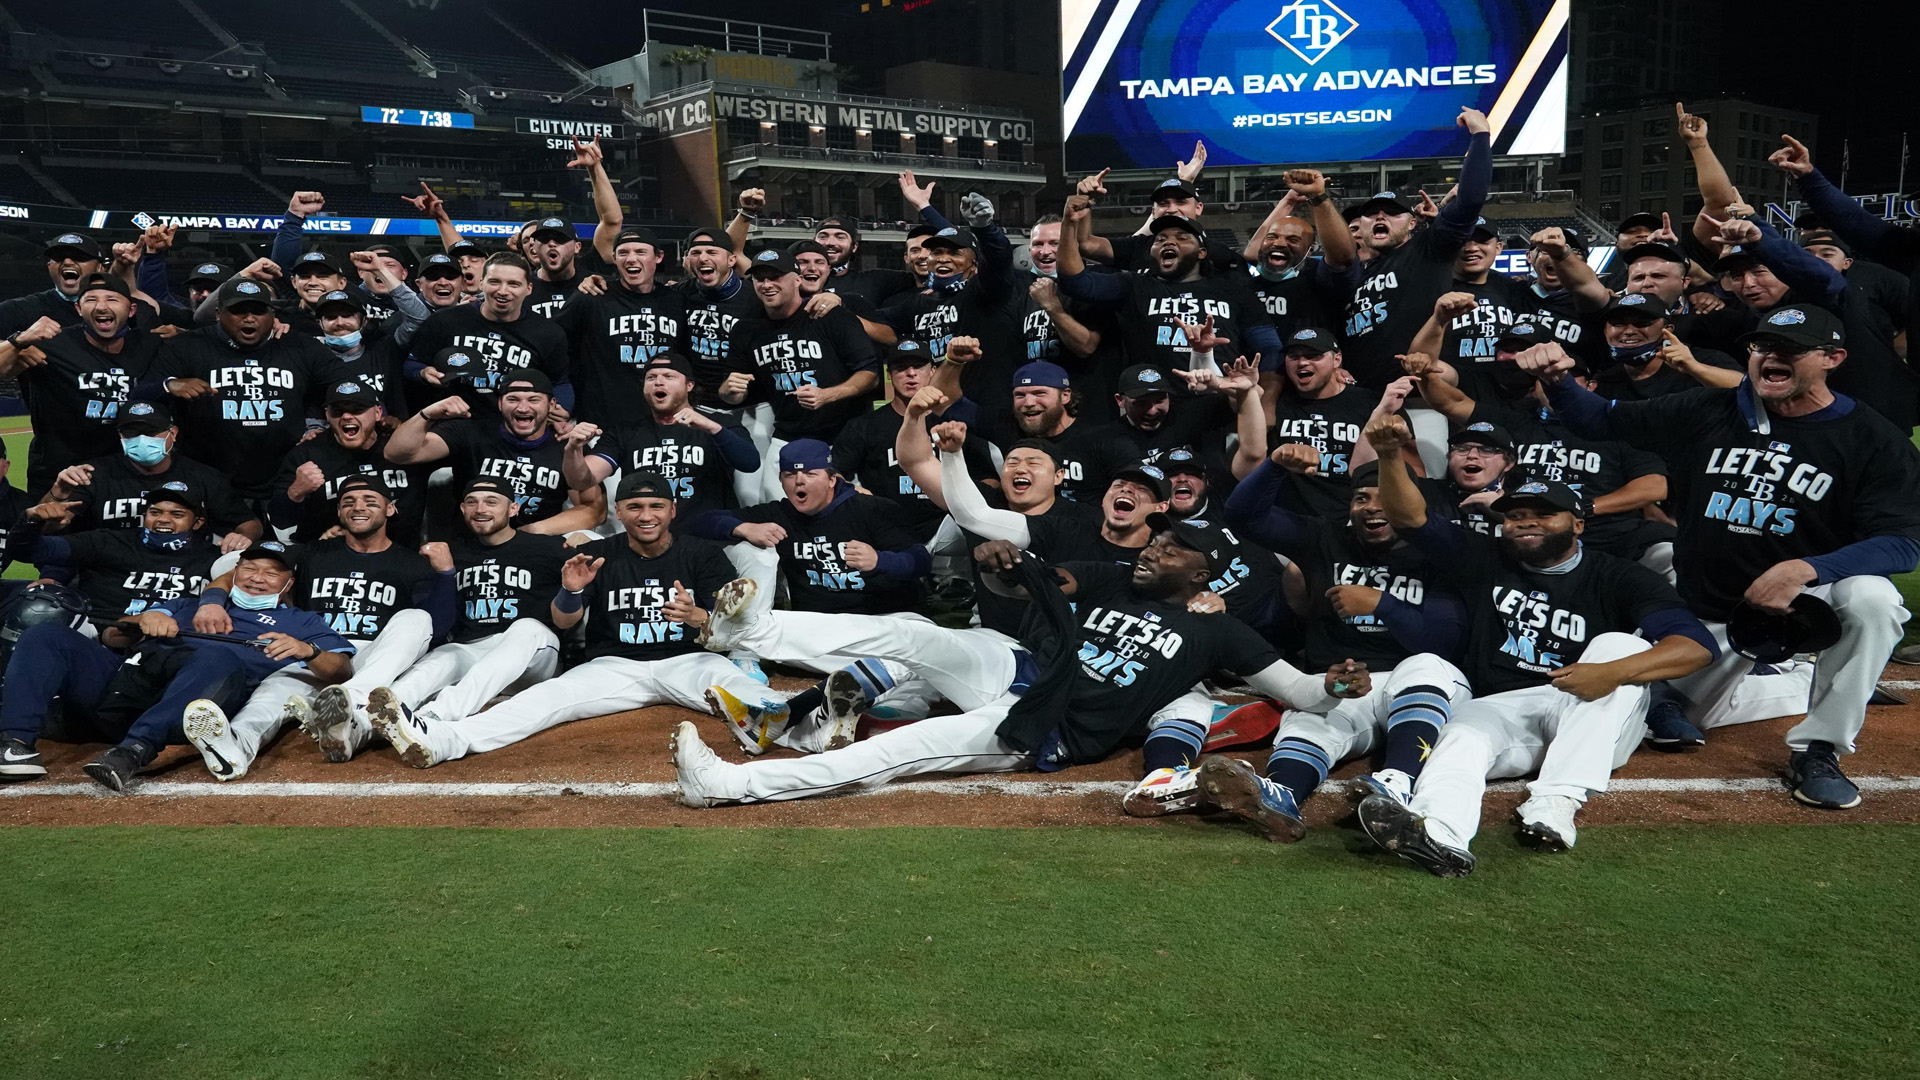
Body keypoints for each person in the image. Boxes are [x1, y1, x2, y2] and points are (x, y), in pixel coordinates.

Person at [1521, 305, 1920, 810]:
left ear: (1833, 358)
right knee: (1666, 716)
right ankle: (1796, 682)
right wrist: (1556, 379)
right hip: (1709, 611)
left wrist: (1807, 568)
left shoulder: (1873, 440)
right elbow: (1597, 419)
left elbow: (1904, 541)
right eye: (1762, 347)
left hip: (1801, 605)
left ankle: (1818, 748)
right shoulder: (1711, 409)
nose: (1771, 357)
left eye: (1790, 351)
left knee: (1873, 599)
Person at [669, 525, 1369, 807]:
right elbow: (1037, 583)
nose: (1155, 547)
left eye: (1175, 546)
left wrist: (1337, 683)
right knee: (908, 632)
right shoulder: (1111, 574)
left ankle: (731, 787)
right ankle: (756, 626)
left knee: (900, 752)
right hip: (1014, 664)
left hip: (1041, 723)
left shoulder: (1227, 636)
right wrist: (1003, 565)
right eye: (1156, 537)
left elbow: (1305, 691)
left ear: (1209, 571)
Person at [1356, 417, 1716, 874]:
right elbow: (1411, 517)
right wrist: (1390, 456)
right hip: (1508, 709)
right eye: (1514, 516)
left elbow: (1697, 646)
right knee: (1460, 739)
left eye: (1543, 514)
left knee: (1616, 646)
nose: (1525, 523)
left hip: (1589, 713)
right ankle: (1439, 835)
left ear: (1577, 524)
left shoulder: (1619, 576)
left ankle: (1555, 801)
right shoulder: (1485, 556)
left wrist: (1611, 672)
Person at [378, 471, 793, 768]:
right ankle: (446, 740)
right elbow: (562, 621)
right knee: (545, 701)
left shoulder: (700, 554)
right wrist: (570, 590)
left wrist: (698, 616)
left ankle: (819, 724)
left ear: (672, 510)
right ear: (619, 510)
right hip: (613, 665)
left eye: (655, 506)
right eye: (634, 507)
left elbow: (727, 630)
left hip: (689, 660)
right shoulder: (603, 554)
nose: (645, 515)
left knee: (746, 693)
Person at [1199, 457, 1467, 833]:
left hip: (1423, 687)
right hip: (1345, 680)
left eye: (1386, 496)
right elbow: (1243, 516)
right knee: (1308, 719)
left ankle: (1396, 785)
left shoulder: (1441, 551)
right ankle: (1281, 795)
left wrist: (1382, 603)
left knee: (1425, 664)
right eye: (1361, 498)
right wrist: (1274, 466)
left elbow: (1443, 642)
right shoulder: (1326, 536)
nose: (1372, 506)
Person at [0, 540, 354, 790]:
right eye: (250, 567)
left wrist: (307, 651)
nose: (257, 577)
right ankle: (14, 743)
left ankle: (133, 751)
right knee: (48, 634)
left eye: (271, 573)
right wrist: (143, 621)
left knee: (217, 655)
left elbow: (340, 668)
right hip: (123, 683)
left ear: (289, 583)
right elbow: (111, 636)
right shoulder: (188, 604)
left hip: (185, 703)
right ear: (235, 572)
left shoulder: (303, 622)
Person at [182, 476, 454, 778]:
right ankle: (233, 748)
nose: (358, 507)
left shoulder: (411, 562)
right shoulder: (313, 552)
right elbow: (233, 570)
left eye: (370, 502)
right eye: (348, 502)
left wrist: (445, 574)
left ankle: (346, 699)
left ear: (389, 509)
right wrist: (212, 602)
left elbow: (437, 628)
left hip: (371, 656)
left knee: (416, 618)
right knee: (270, 697)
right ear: (339, 512)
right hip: (313, 650)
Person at [363, 478, 570, 747]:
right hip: (472, 649)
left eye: (491, 502)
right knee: (436, 663)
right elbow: (436, 621)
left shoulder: (549, 548)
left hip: (532, 657)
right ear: (462, 509)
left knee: (526, 627)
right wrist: (445, 574)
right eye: (472, 502)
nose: (480, 509)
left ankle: (433, 717)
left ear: (513, 509)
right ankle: (363, 723)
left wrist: (584, 539)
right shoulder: (452, 553)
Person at [146, 277, 345, 507]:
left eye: (259, 311)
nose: (249, 318)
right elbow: (138, 396)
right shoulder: (187, 345)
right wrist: (169, 385)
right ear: (219, 313)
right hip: (208, 480)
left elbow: (346, 387)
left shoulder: (302, 346)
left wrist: (321, 427)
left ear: (273, 315)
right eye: (238, 311)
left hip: (287, 479)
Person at [1340, 109, 1494, 389]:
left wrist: (1480, 135)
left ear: (1413, 223)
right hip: (1359, 400)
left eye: (1392, 213)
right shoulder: (1351, 273)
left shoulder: (1429, 248)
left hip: (1418, 397)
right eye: (1371, 213)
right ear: (1358, 227)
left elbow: (1470, 199)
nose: (1380, 217)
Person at [723, 250, 880, 501]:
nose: (767, 285)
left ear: (797, 279)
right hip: (788, 435)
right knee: (777, 514)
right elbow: (731, 393)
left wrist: (828, 395)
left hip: (843, 438)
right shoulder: (746, 329)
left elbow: (870, 374)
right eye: (760, 279)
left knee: (845, 517)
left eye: (775, 277)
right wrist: (729, 391)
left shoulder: (829, 316)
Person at [1055, 209, 1279, 375]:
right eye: (1160, 239)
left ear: (1202, 252)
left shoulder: (1233, 288)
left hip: (1217, 407)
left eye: (1182, 238)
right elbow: (1075, 282)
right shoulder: (1133, 285)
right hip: (1149, 402)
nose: (1168, 241)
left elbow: (1269, 348)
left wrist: (1262, 394)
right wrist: (1069, 224)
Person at [0, 272, 162, 499]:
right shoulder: (49, 345)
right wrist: (17, 341)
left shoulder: (150, 345)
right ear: (78, 309)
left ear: (131, 310)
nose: (101, 306)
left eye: (112, 299)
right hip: (56, 477)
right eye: (91, 299)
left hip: (125, 477)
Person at [384, 369, 604, 535]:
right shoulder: (470, 432)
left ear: (551, 405)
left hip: (535, 545)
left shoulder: (566, 445)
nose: (523, 408)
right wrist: (427, 415)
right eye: (513, 399)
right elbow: (398, 454)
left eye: (534, 400)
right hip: (471, 545)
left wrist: (526, 534)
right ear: (500, 404)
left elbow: (594, 510)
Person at [831, 340, 992, 542]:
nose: (911, 373)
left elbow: (989, 479)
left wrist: (969, 507)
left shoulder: (953, 422)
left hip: (947, 526)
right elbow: (834, 473)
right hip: (887, 528)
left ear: (933, 371)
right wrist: (856, 493)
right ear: (889, 375)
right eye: (901, 368)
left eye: (918, 366)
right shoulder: (864, 426)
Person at [562, 353, 759, 518]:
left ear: (689, 385)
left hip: (709, 535)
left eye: (668, 376)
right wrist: (573, 449)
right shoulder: (625, 432)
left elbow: (750, 463)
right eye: (651, 377)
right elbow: (581, 481)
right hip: (649, 537)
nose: (658, 382)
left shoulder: (719, 424)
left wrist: (712, 428)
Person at [38, 398, 257, 542]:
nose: (142, 440)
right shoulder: (92, 475)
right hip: (107, 568)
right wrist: (57, 493)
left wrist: (240, 537)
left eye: (151, 432)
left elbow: (248, 523)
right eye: (132, 433)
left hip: (183, 569)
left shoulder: (203, 476)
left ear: (174, 433)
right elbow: (46, 527)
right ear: (120, 436)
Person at [8, 481, 219, 616]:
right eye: (155, 512)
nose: (163, 520)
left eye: (177, 515)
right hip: (99, 638)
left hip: (174, 644)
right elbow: (29, 552)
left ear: (197, 523)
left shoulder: (212, 558)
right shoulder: (107, 542)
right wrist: (30, 521)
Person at [406, 252, 573, 418]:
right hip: (453, 421)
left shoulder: (549, 333)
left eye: (513, 284)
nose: (502, 291)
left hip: (513, 425)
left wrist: (561, 408)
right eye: (494, 282)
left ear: (528, 289)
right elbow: (412, 362)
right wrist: (422, 372)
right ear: (481, 283)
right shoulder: (445, 320)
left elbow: (559, 382)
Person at [553, 228, 686, 424]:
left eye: (640, 252)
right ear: (614, 258)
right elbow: (550, 342)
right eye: (623, 253)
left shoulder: (676, 301)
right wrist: (560, 395)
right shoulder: (593, 295)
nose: (631, 259)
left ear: (658, 257)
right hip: (601, 421)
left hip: (660, 420)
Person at [271, 381, 430, 543]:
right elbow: (279, 520)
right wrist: (296, 492)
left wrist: (407, 426)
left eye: (358, 410)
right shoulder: (305, 455)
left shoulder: (404, 449)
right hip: (328, 556)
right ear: (327, 415)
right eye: (337, 411)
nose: (346, 416)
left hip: (402, 556)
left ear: (377, 413)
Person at [0, 232, 107, 340]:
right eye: (59, 257)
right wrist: (17, 345)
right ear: (49, 267)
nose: (67, 262)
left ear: (100, 268)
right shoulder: (18, 310)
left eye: (79, 257)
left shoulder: (115, 310)